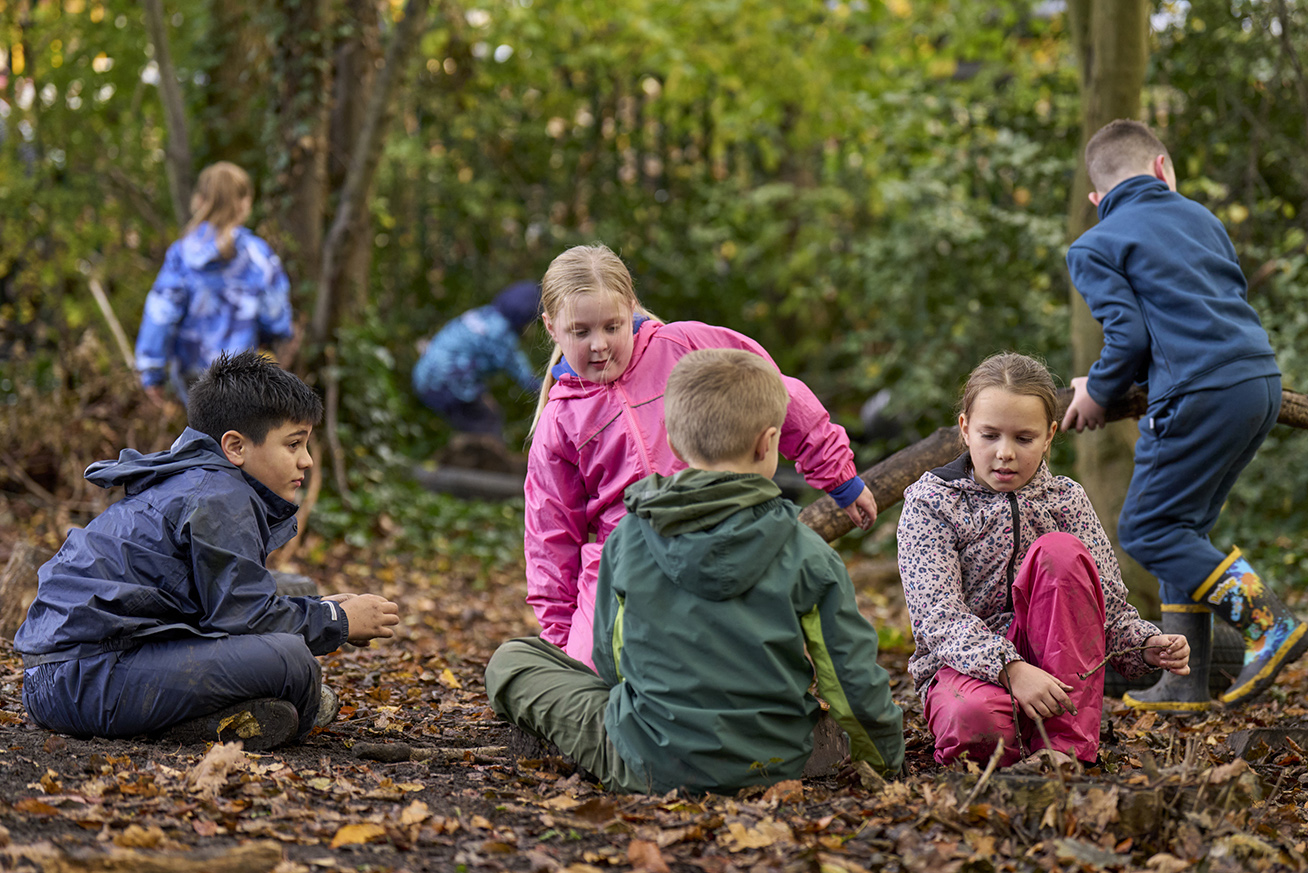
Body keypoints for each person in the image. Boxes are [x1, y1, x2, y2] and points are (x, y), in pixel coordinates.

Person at [487, 349, 904, 793]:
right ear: (767, 443)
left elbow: (611, 661)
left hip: (650, 762)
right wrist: (884, 765)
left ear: (673, 442)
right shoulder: (808, 552)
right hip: (774, 760)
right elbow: (850, 678)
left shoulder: (628, 538)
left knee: (511, 660)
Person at [15, 351, 400, 751]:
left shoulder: (197, 479)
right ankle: (209, 724)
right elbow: (245, 617)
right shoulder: (219, 494)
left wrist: (318, 606)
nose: (307, 460)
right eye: (293, 444)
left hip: (61, 678)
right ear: (235, 446)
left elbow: (222, 604)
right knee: (292, 661)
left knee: (288, 638)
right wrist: (337, 619)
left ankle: (224, 717)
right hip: (85, 680)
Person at [525, 243, 878, 670]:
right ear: (552, 327)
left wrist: (839, 477)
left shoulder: (684, 345)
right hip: (619, 566)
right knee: (592, 670)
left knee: (749, 655)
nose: (599, 345)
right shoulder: (560, 420)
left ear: (631, 309)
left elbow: (774, 394)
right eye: (581, 332)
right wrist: (562, 636)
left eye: (612, 326)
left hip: (718, 533)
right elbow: (550, 536)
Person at [1061, 119, 1301, 712]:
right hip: (1258, 381)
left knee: (1147, 529)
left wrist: (1096, 392)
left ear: (1098, 200)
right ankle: (1183, 680)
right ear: (1164, 169)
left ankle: (1270, 623)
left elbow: (1130, 334)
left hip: (1198, 394)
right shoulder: (1201, 218)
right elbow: (1203, 308)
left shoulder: (1095, 243)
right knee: (1180, 529)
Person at [898, 352, 1189, 768]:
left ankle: (1062, 750)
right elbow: (938, 618)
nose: (1004, 453)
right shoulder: (933, 503)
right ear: (965, 430)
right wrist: (1011, 670)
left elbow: (1105, 607)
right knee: (974, 724)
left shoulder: (1066, 500)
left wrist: (1144, 646)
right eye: (990, 435)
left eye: (1023, 438)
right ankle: (1013, 737)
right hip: (967, 669)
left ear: (1049, 436)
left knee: (1061, 551)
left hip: (1057, 671)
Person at [135, 162, 295, 405]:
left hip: (193, 376)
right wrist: (275, 336)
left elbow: (161, 314)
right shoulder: (258, 255)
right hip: (242, 376)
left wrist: (152, 371)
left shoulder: (182, 254)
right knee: (238, 440)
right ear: (244, 204)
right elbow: (274, 315)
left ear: (198, 200)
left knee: (202, 438)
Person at [411, 280, 541, 444]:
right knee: (488, 423)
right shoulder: (501, 333)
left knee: (477, 420)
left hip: (425, 376)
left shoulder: (485, 314)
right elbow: (521, 372)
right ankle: (478, 464)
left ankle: (464, 454)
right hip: (443, 381)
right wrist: (547, 391)